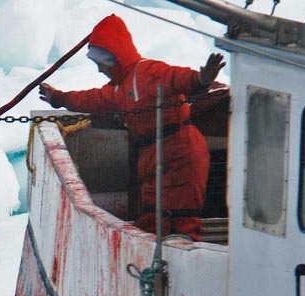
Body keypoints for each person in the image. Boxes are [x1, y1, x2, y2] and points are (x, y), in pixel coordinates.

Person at [38, 14, 225, 240]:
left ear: (112, 60)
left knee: (181, 218)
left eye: (101, 64)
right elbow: (92, 99)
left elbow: (176, 78)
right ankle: (149, 264)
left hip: (180, 152)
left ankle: (184, 263)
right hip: (154, 155)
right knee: (151, 219)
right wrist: (59, 98)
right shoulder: (119, 88)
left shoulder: (148, 71)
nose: (99, 70)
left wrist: (200, 80)